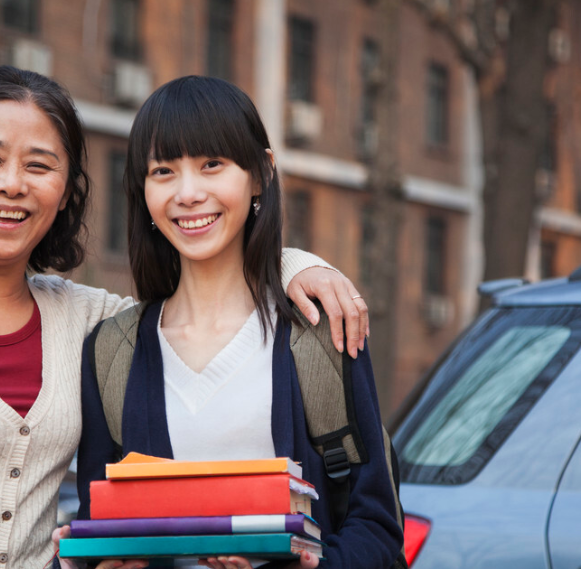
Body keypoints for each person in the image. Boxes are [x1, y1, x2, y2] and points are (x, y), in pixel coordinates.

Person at [0, 66, 370, 569]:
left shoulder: (87, 319)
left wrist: (293, 264)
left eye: (40, 165)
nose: (12, 183)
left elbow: (204, 299)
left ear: (67, 190)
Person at [69, 76, 403, 569]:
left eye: (212, 165)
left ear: (260, 174)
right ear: (142, 191)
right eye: (163, 170)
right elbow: (103, 523)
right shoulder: (111, 352)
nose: (188, 193)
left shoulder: (319, 331)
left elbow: (376, 528)